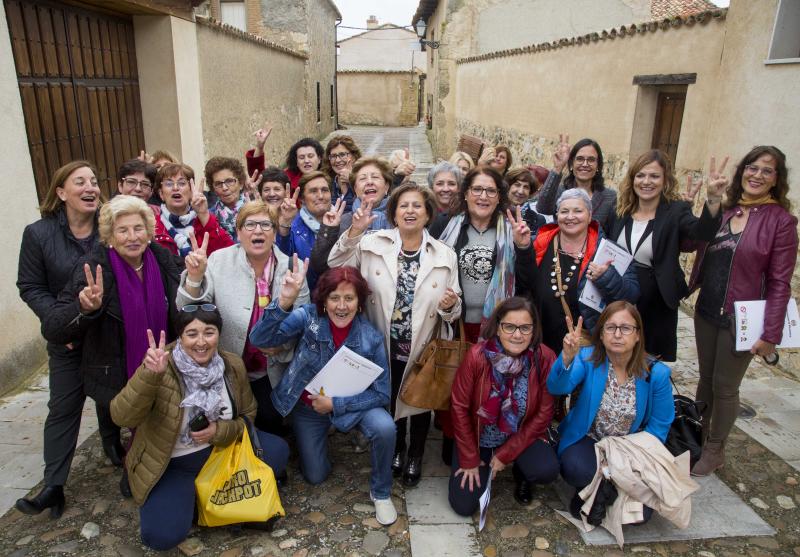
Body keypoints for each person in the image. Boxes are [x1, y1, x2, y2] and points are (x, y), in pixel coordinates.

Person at [110, 306, 289, 550]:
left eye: (209, 332)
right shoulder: (161, 366)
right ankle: (200, 501)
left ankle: (203, 499)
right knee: (161, 536)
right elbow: (121, 415)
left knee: (278, 452)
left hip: (222, 453)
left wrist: (219, 431)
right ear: (180, 337)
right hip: (175, 463)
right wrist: (148, 377)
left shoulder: (231, 364)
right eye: (192, 334)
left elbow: (248, 414)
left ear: (219, 334)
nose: (201, 342)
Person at [41, 195, 182, 496]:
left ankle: (156, 461)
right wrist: (85, 308)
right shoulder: (94, 267)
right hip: (117, 368)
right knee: (131, 425)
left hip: (162, 363)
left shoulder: (162, 258)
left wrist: (194, 281)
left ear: (149, 230)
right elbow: (53, 327)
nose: (132, 237)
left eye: (138, 228)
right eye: (122, 230)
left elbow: (183, 309)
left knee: (165, 424)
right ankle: (138, 461)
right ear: (109, 235)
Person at [328, 183, 462, 487]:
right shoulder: (373, 244)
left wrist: (451, 306)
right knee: (390, 397)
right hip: (381, 341)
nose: (410, 211)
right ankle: (396, 449)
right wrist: (353, 233)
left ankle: (415, 454)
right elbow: (336, 266)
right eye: (404, 206)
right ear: (394, 212)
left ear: (428, 214)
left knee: (418, 399)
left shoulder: (444, 254)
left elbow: (455, 306)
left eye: (417, 206)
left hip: (422, 342)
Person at [249, 265, 398, 525]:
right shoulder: (307, 317)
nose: (342, 306)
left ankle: (382, 492)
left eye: (349, 298)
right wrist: (284, 300)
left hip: (352, 406)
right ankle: (322, 441)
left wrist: (336, 405)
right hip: (309, 408)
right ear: (324, 300)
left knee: (385, 427)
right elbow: (260, 338)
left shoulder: (370, 338)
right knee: (315, 475)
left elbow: (382, 393)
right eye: (334, 298)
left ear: (359, 303)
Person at [16, 161, 118, 518]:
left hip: (105, 333)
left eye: (94, 180)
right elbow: (30, 286)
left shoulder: (109, 229)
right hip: (66, 339)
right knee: (63, 407)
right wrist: (60, 322)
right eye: (80, 182)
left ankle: (112, 444)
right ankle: (53, 486)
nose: (91, 187)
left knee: (109, 396)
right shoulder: (38, 234)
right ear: (61, 193)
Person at [688, 146, 798, 476]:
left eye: (767, 171)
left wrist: (770, 335)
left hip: (742, 320)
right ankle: (696, 436)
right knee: (705, 379)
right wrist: (711, 200)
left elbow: (780, 282)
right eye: (752, 167)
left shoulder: (780, 222)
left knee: (725, 385)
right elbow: (697, 240)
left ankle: (715, 449)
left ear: (777, 179)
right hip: (707, 308)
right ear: (743, 171)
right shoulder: (727, 210)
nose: (757, 175)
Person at [177, 201, 310, 434]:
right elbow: (189, 311)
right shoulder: (218, 260)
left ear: (275, 231)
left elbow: (304, 321)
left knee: (269, 422)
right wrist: (195, 278)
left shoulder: (291, 266)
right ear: (238, 232)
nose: (257, 230)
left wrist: (283, 345)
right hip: (227, 366)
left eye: (265, 225)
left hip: (271, 369)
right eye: (249, 225)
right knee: (229, 423)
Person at [547, 302, 674, 520]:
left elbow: (659, 426)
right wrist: (567, 358)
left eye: (625, 328)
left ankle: (599, 492)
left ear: (637, 335)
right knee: (576, 468)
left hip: (630, 447)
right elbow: (557, 387)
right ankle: (603, 489)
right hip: (589, 439)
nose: (617, 334)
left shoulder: (656, 373)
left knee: (642, 516)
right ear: (602, 334)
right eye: (610, 327)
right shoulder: (587, 358)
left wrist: (622, 461)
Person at [609, 150, 723, 361]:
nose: (646, 182)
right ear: (633, 179)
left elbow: (702, 233)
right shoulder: (620, 210)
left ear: (665, 181)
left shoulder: (676, 211)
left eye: (654, 176)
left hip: (656, 302)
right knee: (616, 358)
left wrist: (714, 200)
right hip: (620, 296)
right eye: (641, 175)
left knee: (647, 365)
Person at [449, 297, 558, 516]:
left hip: (522, 436)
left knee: (545, 469)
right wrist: (470, 457)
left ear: (533, 330)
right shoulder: (477, 356)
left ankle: (522, 472)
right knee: (463, 506)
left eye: (525, 328)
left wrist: (506, 454)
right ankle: (480, 460)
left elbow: (545, 413)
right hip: (480, 439)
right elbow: (459, 407)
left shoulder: (544, 358)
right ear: (498, 327)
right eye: (509, 327)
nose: (517, 335)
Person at [513, 188, 639, 353]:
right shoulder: (538, 244)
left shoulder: (609, 251)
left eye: (578, 211)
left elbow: (631, 295)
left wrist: (607, 277)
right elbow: (523, 284)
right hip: (539, 342)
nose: (570, 216)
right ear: (557, 216)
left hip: (584, 346)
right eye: (564, 211)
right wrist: (523, 249)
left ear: (589, 215)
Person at [430, 167, 516, 343]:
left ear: (499, 197)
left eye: (491, 191)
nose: (483, 197)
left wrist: (524, 247)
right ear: (466, 194)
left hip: (497, 325)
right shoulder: (444, 224)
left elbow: (526, 281)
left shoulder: (511, 229)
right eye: (477, 189)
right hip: (452, 324)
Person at [309, 157, 394, 278]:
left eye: (375, 177)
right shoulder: (344, 220)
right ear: (355, 189)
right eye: (363, 178)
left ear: (386, 187)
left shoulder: (398, 219)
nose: (369, 182)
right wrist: (328, 229)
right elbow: (320, 266)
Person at [537, 136, 617, 234]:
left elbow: (612, 233)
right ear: (571, 164)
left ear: (598, 166)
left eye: (591, 160)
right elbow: (542, 208)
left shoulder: (609, 197)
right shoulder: (561, 191)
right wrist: (558, 167)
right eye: (580, 159)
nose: (585, 164)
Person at [152, 162, 233, 257]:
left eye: (181, 183)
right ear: (161, 194)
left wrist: (203, 214)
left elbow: (228, 254)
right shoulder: (153, 227)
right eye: (169, 184)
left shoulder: (204, 220)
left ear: (191, 191)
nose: (175, 188)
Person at [275, 170, 332, 291]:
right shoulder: (293, 226)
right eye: (313, 191)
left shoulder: (345, 222)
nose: (320, 196)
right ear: (302, 199)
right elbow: (281, 258)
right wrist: (285, 223)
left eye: (325, 190)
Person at [246, 133, 324, 194]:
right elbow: (260, 177)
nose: (306, 160)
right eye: (301, 157)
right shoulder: (287, 178)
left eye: (310, 156)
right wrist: (260, 146)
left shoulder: (329, 178)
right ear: (296, 161)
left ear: (319, 159)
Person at [205, 156, 260, 241]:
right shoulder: (208, 216)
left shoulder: (257, 209)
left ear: (241, 183)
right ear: (213, 189)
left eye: (229, 181)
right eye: (218, 184)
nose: (224, 188)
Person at [323, 135, 362, 212]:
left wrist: (352, 181)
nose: (337, 160)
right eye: (333, 156)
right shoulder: (327, 182)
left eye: (342, 155)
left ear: (354, 156)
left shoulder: (364, 181)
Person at [506, 166, 547, 236]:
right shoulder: (494, 212)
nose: (520, 191)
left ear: (530, 193)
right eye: (517, 185)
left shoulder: (537, 220)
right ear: (508, 187)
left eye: (526, 187)